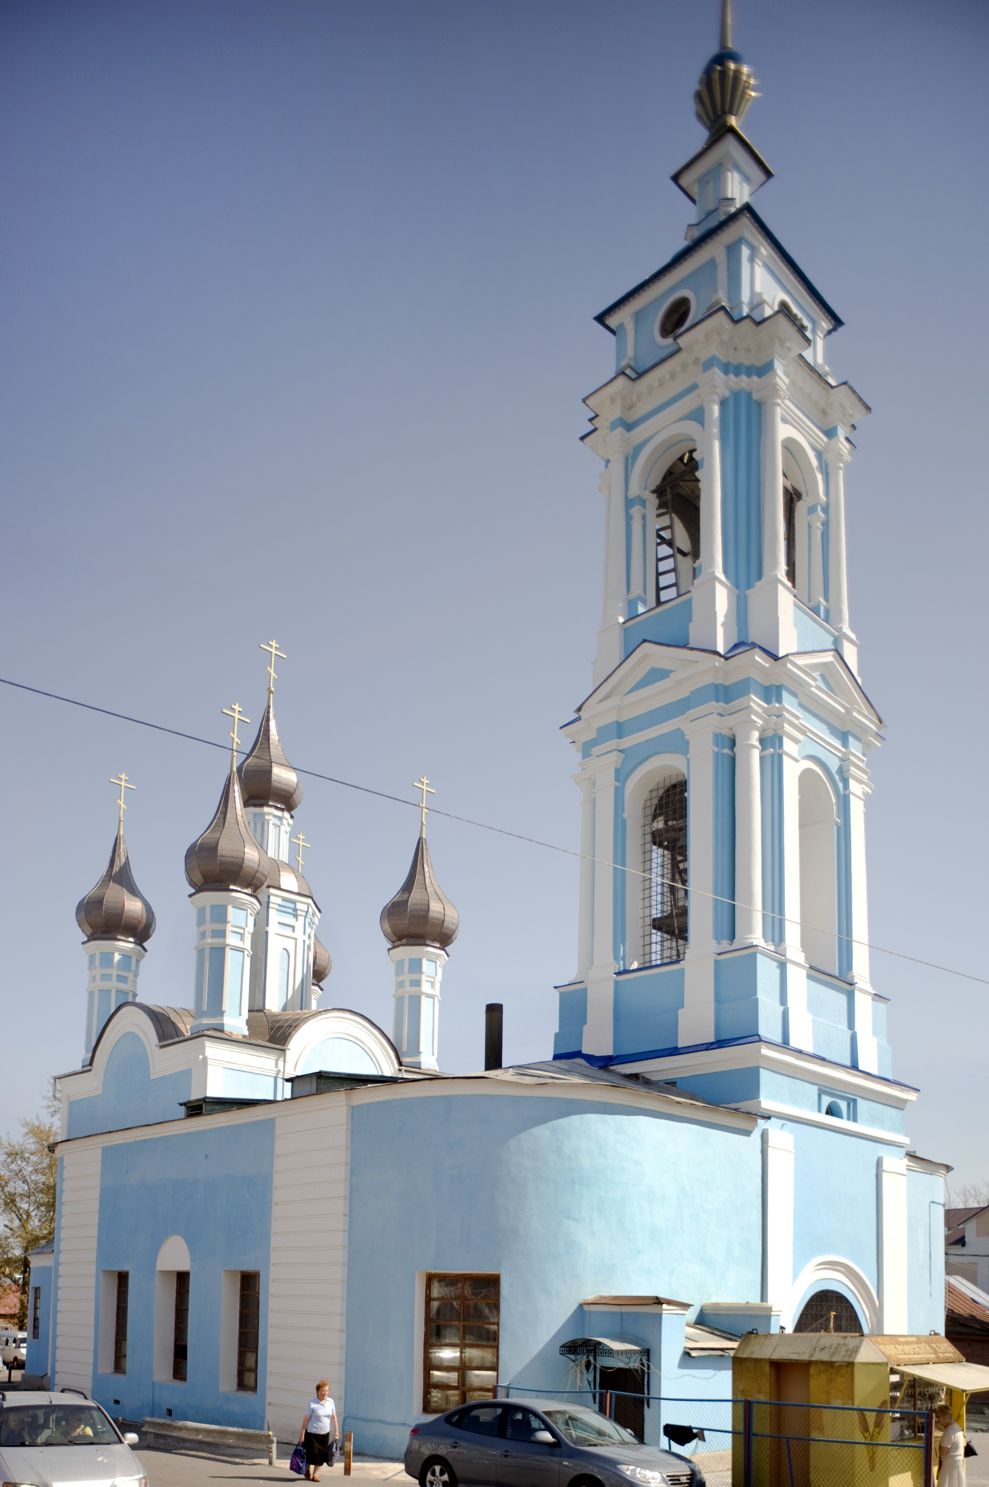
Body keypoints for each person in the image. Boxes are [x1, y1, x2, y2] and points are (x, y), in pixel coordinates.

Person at [298, 1379, 339, 1482]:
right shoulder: (313, 1403)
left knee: (321, 1456)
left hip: (324, 1434)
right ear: (317, 1391)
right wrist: (302, 1433)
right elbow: (306, 1419)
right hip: (312, 1434)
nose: (325, 1392)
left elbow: (334, 1417)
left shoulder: (331, 1401)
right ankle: (307, 1470)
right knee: (310, 1455)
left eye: (327, 1390)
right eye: (322, 1390)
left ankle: (316, 1475)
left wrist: (336, 1431)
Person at [935, 1403, 967, 1487]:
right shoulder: (956, 1427)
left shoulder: (948, 1432)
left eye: (938, 1417)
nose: (937, 1420)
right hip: (958, 1463)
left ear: (945, 1416)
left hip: (949, 1466)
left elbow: (943, 1452)